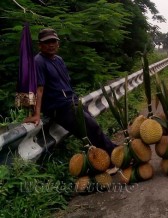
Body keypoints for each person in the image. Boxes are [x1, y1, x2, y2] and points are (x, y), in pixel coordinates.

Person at [24, 28, 117, 156]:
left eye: (53, 41)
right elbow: (38, 90)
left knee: (92, 127)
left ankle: (104, 157)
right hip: (60, 107)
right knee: (91, 128)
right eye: (47, 42)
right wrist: (36, 113)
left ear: (58, 43)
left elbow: (66, 83)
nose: (51, 45)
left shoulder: (58, 60)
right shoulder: (38, 62)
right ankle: (114, 153)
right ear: (40, 45)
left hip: (71, 101)